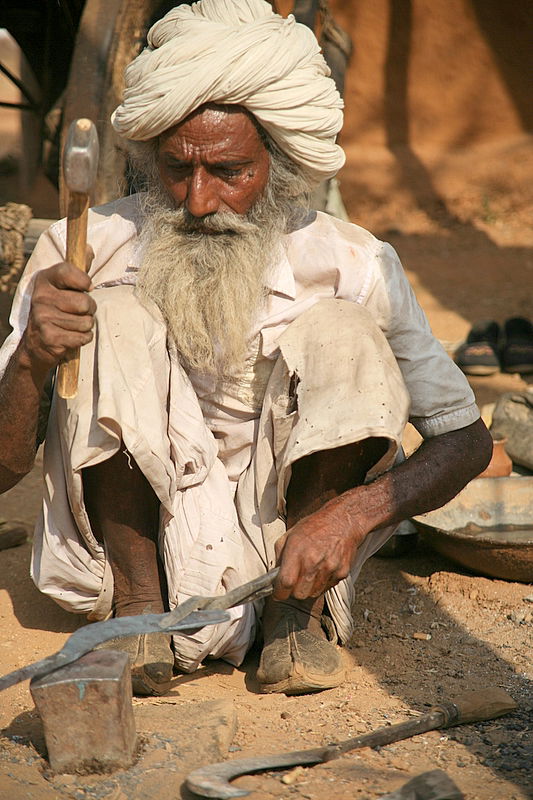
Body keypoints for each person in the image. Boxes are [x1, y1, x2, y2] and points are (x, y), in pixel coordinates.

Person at [0, 0, 491, 697]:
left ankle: (297, 619)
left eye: (229, 171)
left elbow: (465, 440)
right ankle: (140, 612)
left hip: (290, 555)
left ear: (279, 164)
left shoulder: (353, 262)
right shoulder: (83, 247)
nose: (198, 200)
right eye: (176, 168)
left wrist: (350, 516)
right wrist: (31, 358)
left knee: (342, 328)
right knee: (111, 312)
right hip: (128, 559)